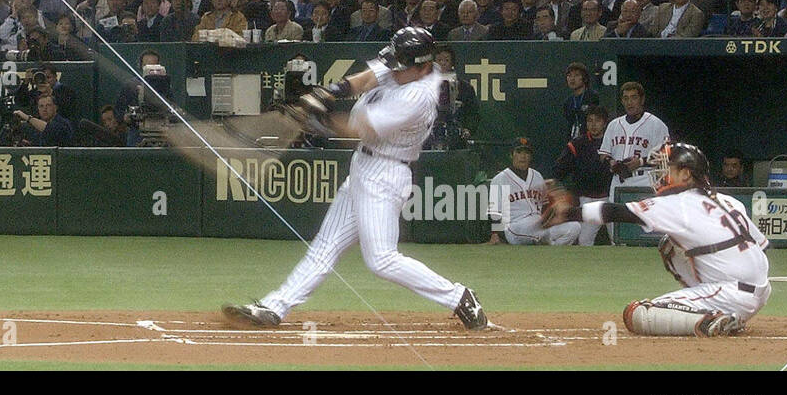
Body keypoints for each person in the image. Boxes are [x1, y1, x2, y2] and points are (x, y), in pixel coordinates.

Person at [222, 27, 489, 331]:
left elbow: (358, 130)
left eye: (402, 66)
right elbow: (368, 77)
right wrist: (330, 92)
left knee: (382, 260)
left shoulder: (418, 96)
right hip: (364, 165)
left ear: (423, 66)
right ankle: (275, 306)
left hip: (386, 173)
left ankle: (460, 297)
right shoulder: (407, 64)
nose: (394, 69)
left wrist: (316, 121)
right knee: (325, 247)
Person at [544, 143, 768, 336]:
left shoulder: (678, 202)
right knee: (670, 245)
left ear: (686, 174)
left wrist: (568, 213)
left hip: (729, 294)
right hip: (758, 291)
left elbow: (614, 212)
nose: (661, 174)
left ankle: (712, 318)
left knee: (638, 314)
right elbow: (761, 247)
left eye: (667, 167)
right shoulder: (729, 201)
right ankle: (720, 310)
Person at [488, 141, 580, 245]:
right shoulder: (500, 179)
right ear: (511, 154)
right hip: (516, 226)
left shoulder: (537, 176)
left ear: (531, 156)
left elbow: (545, 205)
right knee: (537, 231)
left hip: (538, 223)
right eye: (519, 152)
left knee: (574, 227)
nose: (523, 156)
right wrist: (495, 233)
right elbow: (494, 212)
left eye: (527, 153)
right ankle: (546, 244)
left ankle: (549, 252)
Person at [599, 81, 671, 200]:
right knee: (617, 218)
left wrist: (641, 162)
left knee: (640, 218)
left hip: (644, 180)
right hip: (618, 181)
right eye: (626, 98)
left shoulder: (656, 124)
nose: (629, 102)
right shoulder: (614, 125)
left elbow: (666, 155)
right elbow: (603, 153)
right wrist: (611, 162)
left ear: (642, 100)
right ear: (622, 101)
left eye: (634, 98)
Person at [553, 104, 613, 245]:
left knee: (618, 240)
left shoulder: (613, 141)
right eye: (589, 120)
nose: (593, 125)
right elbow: (559, 170)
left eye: (597, 120)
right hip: (588, 200)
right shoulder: (578, 143)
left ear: (604, 123)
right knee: (584, 241)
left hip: (611, 198)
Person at [561, 62, 600, 141]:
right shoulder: (568, 102)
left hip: (589, 140)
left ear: (584, 78)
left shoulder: (593, 97)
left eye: (576, 75)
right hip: (572, 140)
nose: (572, 79)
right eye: (569, 75)